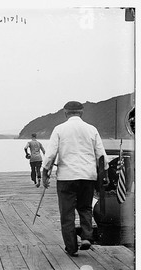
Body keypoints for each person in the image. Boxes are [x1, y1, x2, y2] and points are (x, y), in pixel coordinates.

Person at [42, 101, 109, 257]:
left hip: (67, 177)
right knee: (85, 208)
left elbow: (51, 155)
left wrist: (45, 174)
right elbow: (101, 155)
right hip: (88, 176)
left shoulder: (59, 129)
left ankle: (71, 248)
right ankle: (86, 236)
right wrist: (103, 175)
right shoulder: (92, 130)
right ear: (82, 113)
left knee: (67, 213)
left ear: (66, 113)